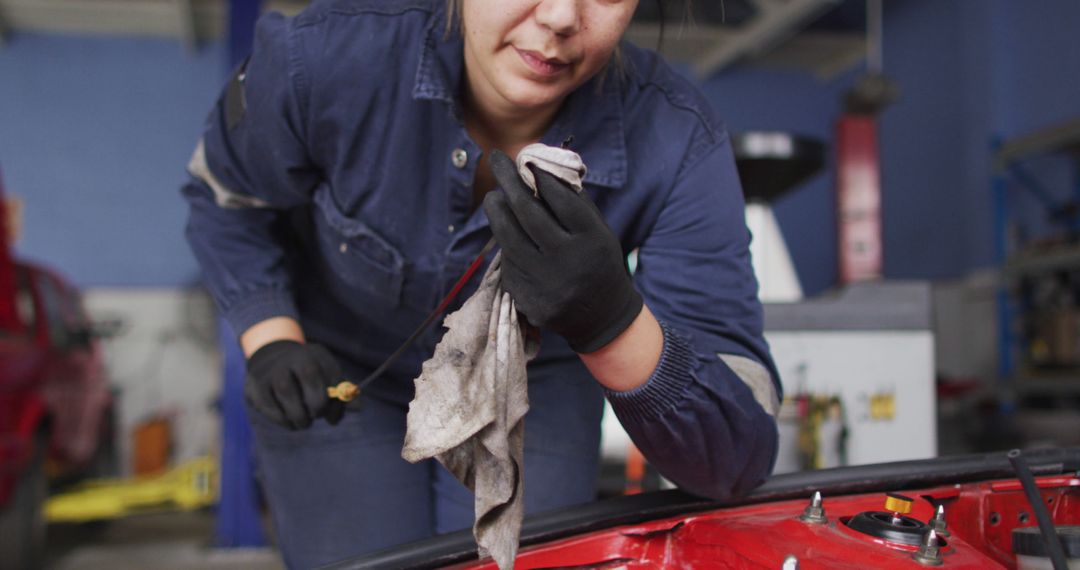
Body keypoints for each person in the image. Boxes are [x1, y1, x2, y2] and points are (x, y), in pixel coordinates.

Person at [182, 0, 781, 567]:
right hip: (343, 370)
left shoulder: (680, 138)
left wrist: (611, 323)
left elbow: (730, 463)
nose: (560, 17)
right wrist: (271, 337)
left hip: (535, 382)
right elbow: (224, 199)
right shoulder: (323, 56)